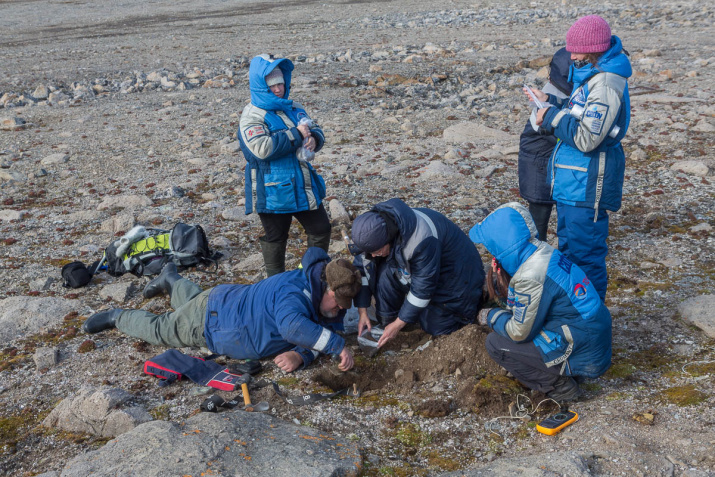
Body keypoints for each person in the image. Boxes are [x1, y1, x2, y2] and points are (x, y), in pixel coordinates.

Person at [82, 248, 361, 373]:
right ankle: (117, 316)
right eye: (338, 303)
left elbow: (315, 334)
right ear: (328, 289)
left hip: (222, 302)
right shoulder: (293, 295)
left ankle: (172, 279)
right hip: (213, 323)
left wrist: (300, 356)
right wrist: (337, 346)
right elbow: (293, 328)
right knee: (163, 328)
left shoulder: (317, 291)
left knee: (192, 303)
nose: (338, 310)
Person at [528, 15, 632, 301]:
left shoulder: (607, 84)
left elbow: (588, 138)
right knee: (570, 254)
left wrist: (550, 116)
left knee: (585, 258)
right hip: (573, 183)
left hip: (587, 186)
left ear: (595, 49)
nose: (571, 55)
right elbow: (579, 115)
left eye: (576, 50)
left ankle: (591, 324)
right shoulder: (591, 76)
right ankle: (577, 316)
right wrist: (551, 103)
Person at [469, 202, 612, 402]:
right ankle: (568, 369)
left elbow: (519, 333)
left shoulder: (530, 276)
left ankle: (561, 386)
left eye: (491, 247)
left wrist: (491, 316)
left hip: (581, 347)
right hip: (590, 336)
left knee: (495, 344)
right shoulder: (542, 252)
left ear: (502, 247)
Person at [238, 54, 330, 277]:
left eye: (281, 83)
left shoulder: (293, 106)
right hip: (272, 191)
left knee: (321, 229)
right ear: (260, 86)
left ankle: (309, 273)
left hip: (302, 184)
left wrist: (314, 139)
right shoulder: (252, 115)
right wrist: (297, 135)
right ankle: (276, 283)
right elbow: (261, 149)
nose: (279, 89)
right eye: (272, 85)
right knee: (276, 238)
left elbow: (314, 127)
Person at [350, 198, 485, 348]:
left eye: (376, 251)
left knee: (436, 327)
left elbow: (423, 289)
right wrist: (363, 311)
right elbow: (362, 270)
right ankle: (387, 323)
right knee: (382, 276)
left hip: (458, 276)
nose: (373, 255)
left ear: (389, 238)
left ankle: (467, 313)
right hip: (426, 269)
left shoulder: (421, 239)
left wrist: (399, 324)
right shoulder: (369, 236)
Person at [518, 47, 573, 242]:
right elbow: (556, 131)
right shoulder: (554, 95)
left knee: (548, 214)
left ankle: (543, 251)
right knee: (539, 219)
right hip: (538, 164)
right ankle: (537, 254)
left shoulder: (554, 91)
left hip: (542, 160)